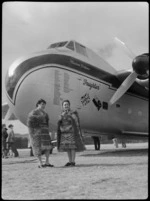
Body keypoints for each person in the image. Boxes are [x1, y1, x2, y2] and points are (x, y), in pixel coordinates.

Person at [57, 100, 85, 167]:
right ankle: (69, 161)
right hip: (64, 133)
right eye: (64, 105)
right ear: (62, 106)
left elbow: (76, 123)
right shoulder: (61, 114)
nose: (66, 106)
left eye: (67, 104)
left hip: (71, 132)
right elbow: (59, 124)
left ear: (69, 105)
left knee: (72, 147)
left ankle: (73, 161)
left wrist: (76, 131)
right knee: (67, 148)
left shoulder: (73, 113)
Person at [27, 99, 53, 168]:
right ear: (38, 104)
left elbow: (47, 123)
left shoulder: (45, 113)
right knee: (38, 147)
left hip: (45, 132)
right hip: (37, 133)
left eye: (44, 104)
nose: (43, 105)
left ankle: (47, 162)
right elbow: (30, 123)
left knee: (48, 147)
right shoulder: (34, 112)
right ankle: (40, 163)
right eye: (42, 104)